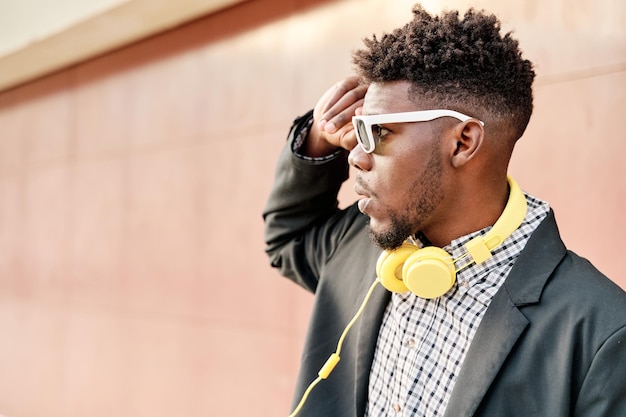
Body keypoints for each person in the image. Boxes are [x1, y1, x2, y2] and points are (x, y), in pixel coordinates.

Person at [263, 4, 626, 417]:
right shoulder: (364, 246)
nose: (356, 156)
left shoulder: (602, 332)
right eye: (358, 130)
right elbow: (287, 237)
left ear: (463, 141)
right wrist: (316, 139)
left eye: (377, 132)